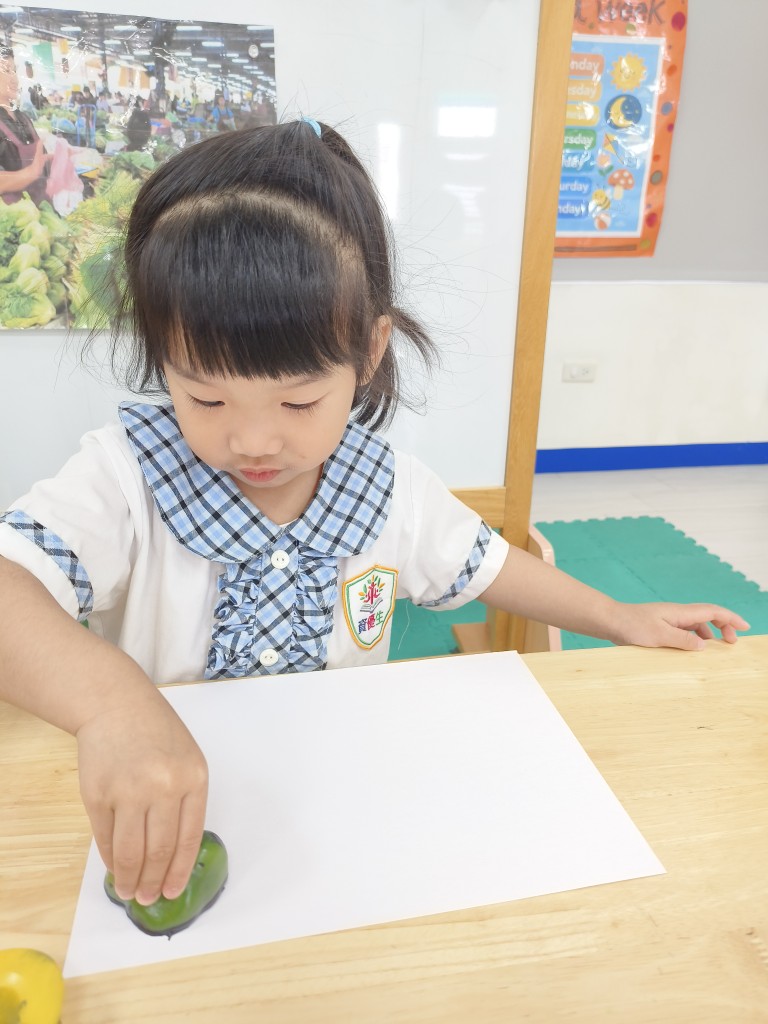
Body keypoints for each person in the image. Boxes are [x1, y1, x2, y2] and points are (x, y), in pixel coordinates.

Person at [0, 120, 748, 912]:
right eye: (205, 398)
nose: (253, 440)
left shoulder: (389, 488)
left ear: (370, 349)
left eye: (298, 402)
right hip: (169, 809)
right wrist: (111, 706)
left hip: (342, 808)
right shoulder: (124, 477)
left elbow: (488, 565)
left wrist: (619, 616)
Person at [0, 48, 51, 205]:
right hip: (15, 217)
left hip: (43, 209)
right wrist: (31, 173)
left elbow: (42, 161)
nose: (14, 79)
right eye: (6, 71)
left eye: (14, 71)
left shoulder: (23, 118)